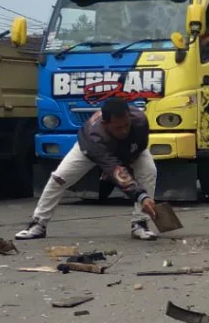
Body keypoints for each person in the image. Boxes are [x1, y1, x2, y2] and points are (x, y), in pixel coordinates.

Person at [16, 98, 160, 241]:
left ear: (130, 117)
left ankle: (140, 223)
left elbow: (141, 144)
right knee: (59, 179)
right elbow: (114, 168)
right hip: (90, 150)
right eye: (118, 127)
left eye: (126, 125)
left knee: (148, 170)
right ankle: (39, 223)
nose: (124, 130)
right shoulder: (94, 136)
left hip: (129, 150)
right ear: (105, 123)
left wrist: (127, 161)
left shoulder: (140, 120)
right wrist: (141, 196)